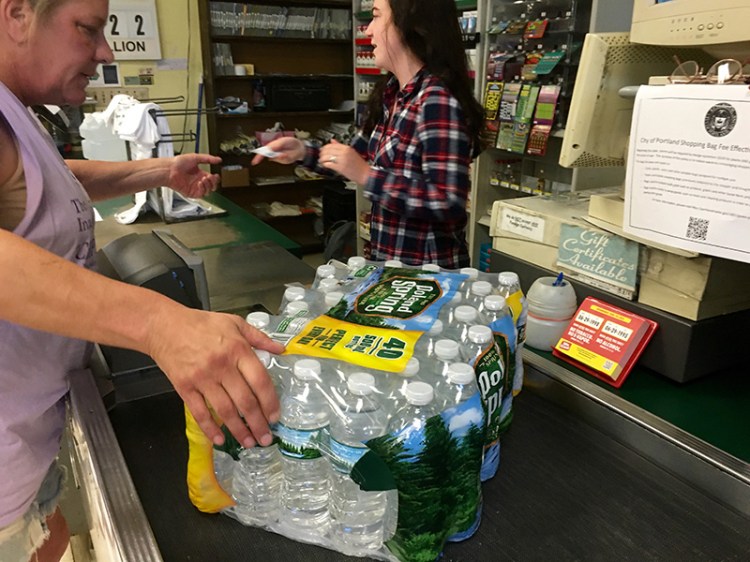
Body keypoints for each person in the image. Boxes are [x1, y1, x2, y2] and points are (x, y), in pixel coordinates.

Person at [0, 1, 284, 560]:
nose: (104, 51)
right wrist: (162, 325)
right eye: (86, 28)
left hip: (29, 439)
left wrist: (155, 171)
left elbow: (36, 181)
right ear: (16, 15)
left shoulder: (15, 111)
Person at [253, 0, 484, 269]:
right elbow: (354, 157)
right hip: (391, 268)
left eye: (376, 17)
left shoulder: (436, 100)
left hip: (429, 279)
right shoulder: (391, 95)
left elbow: (447, 202)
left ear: (411, 25)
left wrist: (367, 175)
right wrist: (303, 152)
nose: (368, 31)